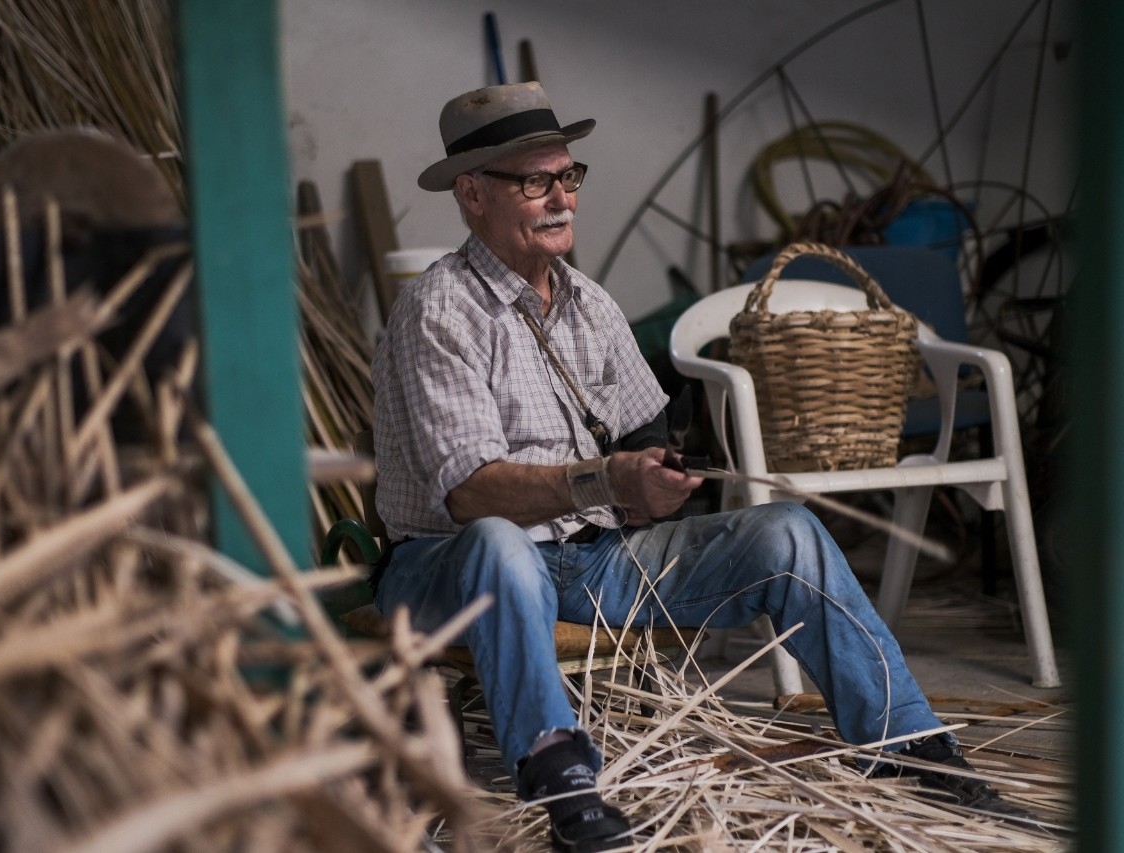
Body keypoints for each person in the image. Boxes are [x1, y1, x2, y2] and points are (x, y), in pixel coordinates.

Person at [370, 81, 1026, 852]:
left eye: (568, 176)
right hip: (448, 568)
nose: (562, 199)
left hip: (589, 560)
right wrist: (606, 480)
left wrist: (659, 478)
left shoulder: (589, 303)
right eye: (535, 182)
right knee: (501, 542)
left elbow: (641, 428)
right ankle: (564, 779)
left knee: (787, 530)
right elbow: (469, 493)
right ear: (473, 194)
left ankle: (909, 743)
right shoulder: (440, 309)